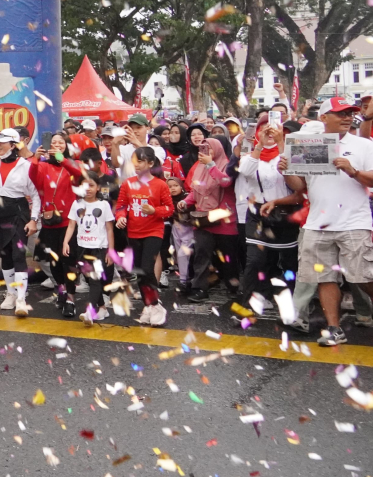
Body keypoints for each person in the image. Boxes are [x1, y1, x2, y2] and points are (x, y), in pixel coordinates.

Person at [283, 96, 373, 346]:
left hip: (354, 222)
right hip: (317, 223)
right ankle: (334, 329)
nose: (347, 118)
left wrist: (353, 171)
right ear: (323, 117)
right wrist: (287, 170)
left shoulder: (363, 145)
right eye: (341, 113)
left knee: (363, 276)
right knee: (324, 278)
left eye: (350, 113)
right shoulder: (312, 145)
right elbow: (300, 186)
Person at [235, 123, 302, 323]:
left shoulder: (288, 153)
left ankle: (293, 306)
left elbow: (297, 182)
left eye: (274, 130)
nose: (270, 133)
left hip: (285, 213)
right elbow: (245, 171)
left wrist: (281, 144)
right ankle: (247, 307)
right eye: (264, 130)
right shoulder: (251, 157)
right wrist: (259, 145)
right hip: (258, 213)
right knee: (254, 260)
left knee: (288, 262)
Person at [0, 129, 40, 316]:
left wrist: (34, 220)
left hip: (18, 212)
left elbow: (36, 195)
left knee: (18, 254)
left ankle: (21, 298)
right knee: (5, 255)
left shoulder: (25, 165)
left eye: (2, 142)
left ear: (13, 145)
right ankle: (11, 293)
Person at [115, 146, 174, 326]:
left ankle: (155, 305)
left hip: (153, 232)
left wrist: (154, 210)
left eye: (140, 161)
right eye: (134, 161)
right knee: (139, 271)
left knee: (148, 268)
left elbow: (169, 209)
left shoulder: (160, 184)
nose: (136, 165)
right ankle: (148, 306)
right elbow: (121, 206)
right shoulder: (127, 183)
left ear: (150, 163)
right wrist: (121, 217)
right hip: (133, 232)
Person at [182, 135, 237, 302]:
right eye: (202, 149)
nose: (205, 152)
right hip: (203, 217)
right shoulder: (199, 167)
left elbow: (225, 182)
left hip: (224, 219)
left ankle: (232, 285)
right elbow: (196, 190)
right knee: (201, 254)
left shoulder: (227, 164)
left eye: (209, 149)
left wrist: (211, 165)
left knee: (228, 255)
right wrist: (185, 202)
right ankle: (199, 288)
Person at [30, 134, 76, 308]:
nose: (57, 145)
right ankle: (61, 290)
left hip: (69, 223)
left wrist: (62, 159)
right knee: (54, 261)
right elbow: (33, 177)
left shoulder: (72, 164)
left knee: (68, 262)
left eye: (61, 143)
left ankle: (71, 297)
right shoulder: (43, 165)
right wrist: (35, 159)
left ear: (67, 146)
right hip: (50, 221)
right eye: (53, 142)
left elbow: (80, 175)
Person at [62, 175, 114, 323]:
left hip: (99, 248)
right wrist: (66, 242)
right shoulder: (76, 204)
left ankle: (90, 311)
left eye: (91, 185)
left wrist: (110, 250)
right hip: (82, 248)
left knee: (95, 279)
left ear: (98, 187)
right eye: (84, 185)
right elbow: (71, 225)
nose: (88, 189)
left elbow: (109, 229)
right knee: (90, 279)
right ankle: (102, 308)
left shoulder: (104, 205)